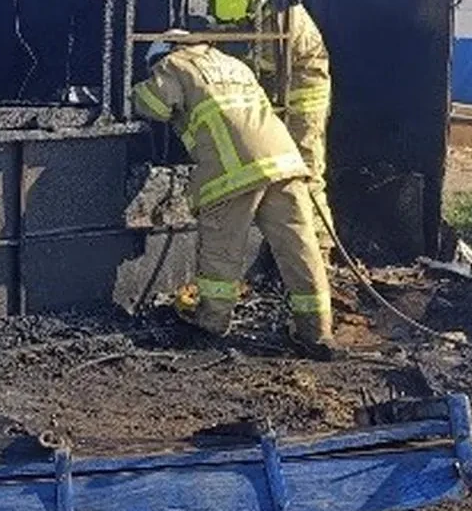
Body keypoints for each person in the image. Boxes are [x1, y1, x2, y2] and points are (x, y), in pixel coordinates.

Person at [132, 29, 339, 360]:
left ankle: (211, 322)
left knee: (221, 250)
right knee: (298, 247)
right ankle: (317, 332)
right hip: (284, 161)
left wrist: (134, 89)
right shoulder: (234, 64)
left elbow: (154, 105)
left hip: (233, 170)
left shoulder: (174, 64)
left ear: (167, 50)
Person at [209, 0, 335, 254]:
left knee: (306, 175)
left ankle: (321, 252)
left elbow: (261, 68)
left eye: (241, 23)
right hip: (290, 99)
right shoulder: (272, 9)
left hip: (303, 105)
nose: (239, 28)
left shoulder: (279, 21)